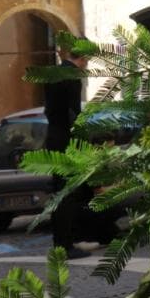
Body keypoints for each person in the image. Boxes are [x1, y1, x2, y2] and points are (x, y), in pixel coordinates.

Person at [44, 33, 99, 257]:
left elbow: (51, 111)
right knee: (68, 195)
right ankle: (66, 246)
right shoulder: (72, 76)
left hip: (53, 139)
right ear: (84, 56)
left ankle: (61, 242)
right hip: (67, 143)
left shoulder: (53, 74)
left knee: (59, 194)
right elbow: (73, 114)